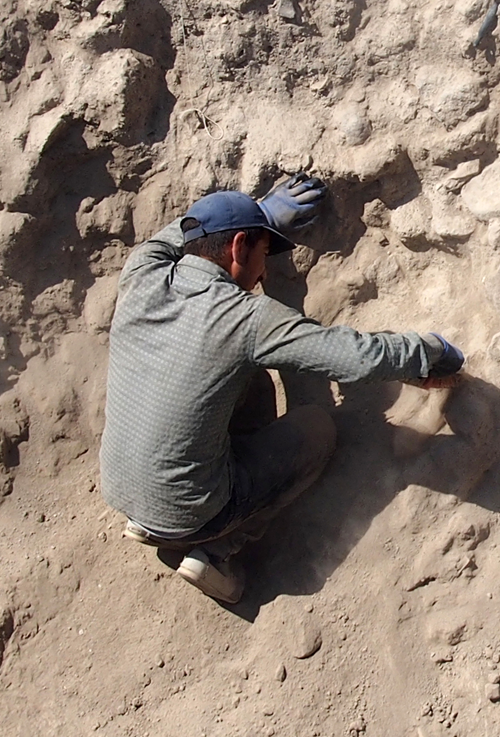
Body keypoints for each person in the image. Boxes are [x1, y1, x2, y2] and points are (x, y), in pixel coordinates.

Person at [102, 177, 465, 604]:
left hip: (119, 488)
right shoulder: (246, 319)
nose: (266, 268)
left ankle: (156, 517)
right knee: (316, 430)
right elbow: (354, 357)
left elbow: (180, 232)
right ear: (239, 247)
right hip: (190, 511)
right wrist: (427, 352)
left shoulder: (143, 268)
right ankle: (218, 552)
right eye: (265, 250)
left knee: (244, 377)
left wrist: (265, 214)